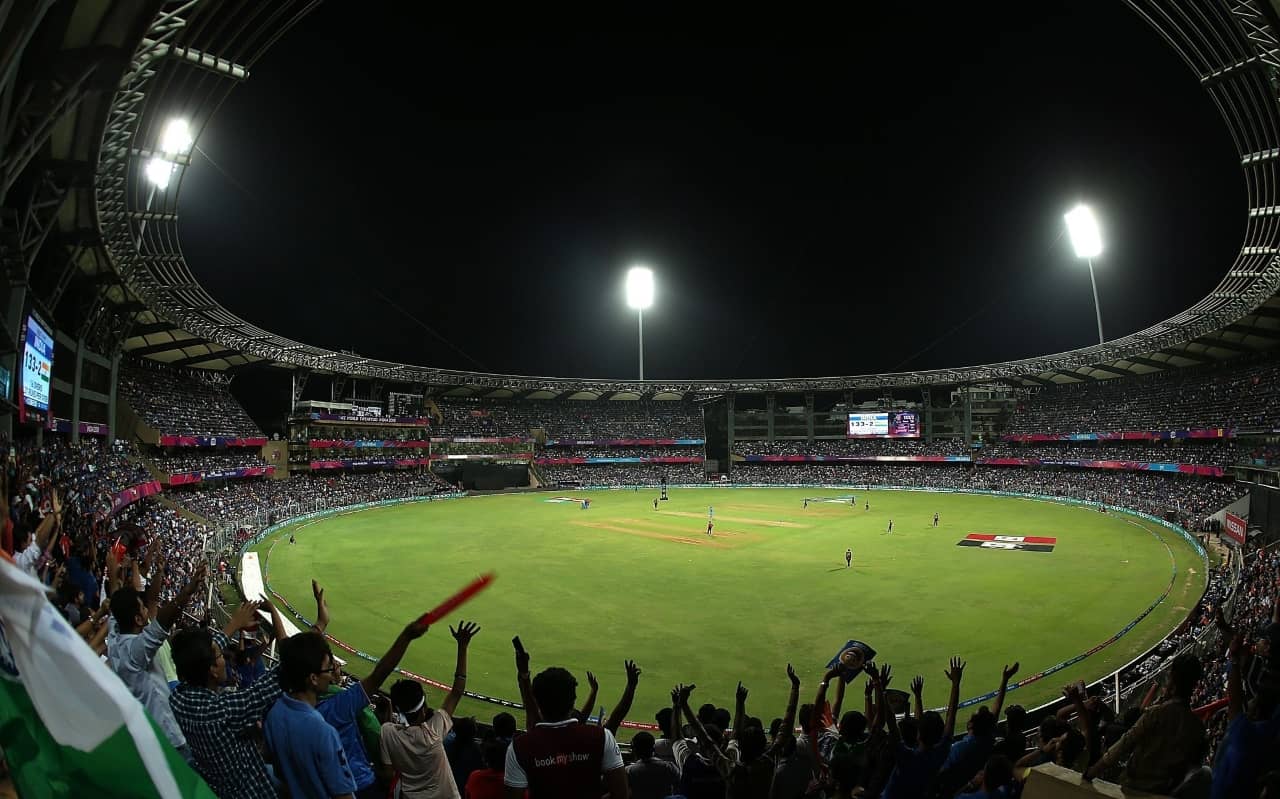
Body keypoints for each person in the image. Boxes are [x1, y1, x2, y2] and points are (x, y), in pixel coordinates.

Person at [169, 597, 289, 799]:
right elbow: (289, 667)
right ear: (212, 671)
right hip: (253, 792)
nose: (225, 659)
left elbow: (200, 656)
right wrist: (274, 611)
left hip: (221, 788)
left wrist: (233, 625)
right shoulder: (223, 711)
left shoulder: (179, 698)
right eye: (220, 656)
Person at [322, 610, 440, 799]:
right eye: (329, 668)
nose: (335, 670)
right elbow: (377, 677)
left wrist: (320, 623)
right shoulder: (337, 704)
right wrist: (407, 636)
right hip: (358, 783)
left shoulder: (285, 707)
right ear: (312, 678)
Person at [107, 557, 207, 757]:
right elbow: (161, 624)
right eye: (143, 610)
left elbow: (117, 605)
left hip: (150, 735)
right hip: (170, 739)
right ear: (137, 619)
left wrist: (113, 575)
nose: (148, 611)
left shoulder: (114, 636)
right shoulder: (134, 651)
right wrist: (187, 592)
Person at [378, 622, 479, 799]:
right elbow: (456, 692)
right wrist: (462, 647)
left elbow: (387, 774)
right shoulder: (434, 730)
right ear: (424, 708)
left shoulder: (387, 732)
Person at [1084, 653, 1206, 794]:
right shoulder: (1197, 726)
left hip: (1135, 787)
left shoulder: (1156, 714)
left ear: (1172, 678)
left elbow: (1125, 743)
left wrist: (1092, 772)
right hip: (1164, 791)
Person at [504, 666, 628, 798]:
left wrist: (524, 677)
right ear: (574, 700)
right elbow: (621, 794)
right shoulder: (602, 737)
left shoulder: (518, 747)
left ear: (538, 702)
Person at [264, 631, 358, 799]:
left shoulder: (275, 713)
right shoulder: (324, 733)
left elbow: (279, 772)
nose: (332, 675)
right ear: (313, 678)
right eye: (329, 668)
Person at [625, 731, 680, 799]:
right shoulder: (669, 767)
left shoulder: (628, 771)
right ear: (653, 748)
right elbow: (680, 786)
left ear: (635, 750)